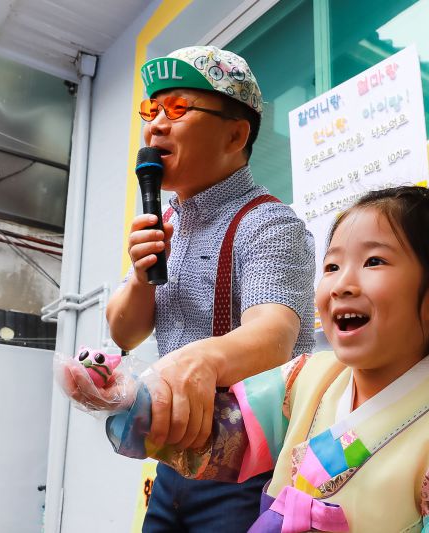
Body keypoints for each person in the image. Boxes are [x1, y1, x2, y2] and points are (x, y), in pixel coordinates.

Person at [95, 186, 429, 532]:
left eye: (374, 261)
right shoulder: (303, 378)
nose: (342, 284)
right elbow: (214, 435)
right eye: (332, 266)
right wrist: (126, 398)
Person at [105, 45, 316, 532]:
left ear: (236, 134)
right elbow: (123, 333)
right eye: (151, 110)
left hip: (251, 471)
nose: (156, 125)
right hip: (172, 469)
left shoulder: (269, 223)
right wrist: (140, 276)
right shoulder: (166, 219)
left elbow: (274, 336)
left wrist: (197, 360)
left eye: (178, 109)